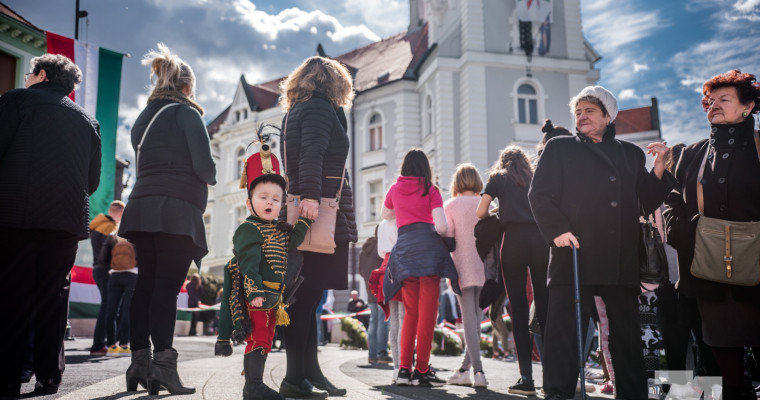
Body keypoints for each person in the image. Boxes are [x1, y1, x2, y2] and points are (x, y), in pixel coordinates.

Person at [529, 86, 673, 400]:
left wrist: (660, 167)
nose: (582, 117)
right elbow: (539, 194)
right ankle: (557, 392)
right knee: (564, 330)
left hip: (618, 254)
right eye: (578, 112)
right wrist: (557, 231)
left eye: (589, 111)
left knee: (625, 331)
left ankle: (633, 394)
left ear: (608, 115)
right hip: (573, 250)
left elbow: (644, 201)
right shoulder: (559, 147)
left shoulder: (629, 153)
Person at [0, 53, 101, 396]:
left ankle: (8, 376)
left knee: (13, 295)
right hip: (67, 222)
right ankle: (49, 377)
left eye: (30, 73)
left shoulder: (17, 100)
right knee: (52, 298)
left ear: (41, 74)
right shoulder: (88, 120)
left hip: (16, 215)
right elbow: (92, 181)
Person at [118, 43, 216, 395]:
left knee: (145, 287)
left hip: (142, 207)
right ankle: (163, 367)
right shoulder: (187, 114)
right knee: (165, 290)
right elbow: (204, 168)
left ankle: (138, 363)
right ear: (187, 87)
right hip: (177, 212)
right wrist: (216, 171)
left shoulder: (144, 119)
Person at [663, 69, 760, 399]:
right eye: (711, 101)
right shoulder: (692, 153)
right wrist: (681, 232)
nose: (714, 105)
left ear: (747, 107)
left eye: (725, 99)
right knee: (720, 345)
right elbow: (672, 200)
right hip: (708, 268)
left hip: (758, 266)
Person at [277, 55, 358, 398]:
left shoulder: (300, 107)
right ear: (333, 81)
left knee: (308, 298)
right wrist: (310, 197)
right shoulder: (319, 107)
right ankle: (294, 379)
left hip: (316, 210)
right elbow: (312, 152)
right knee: (303, 298)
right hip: (318, 212)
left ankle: (309, 373)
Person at [215, 146, 312, 400]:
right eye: (263, 196)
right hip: (257, 295)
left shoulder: (278, 230)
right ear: (249, 202)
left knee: (266, 338)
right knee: (257, 338)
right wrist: (254, 291)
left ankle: (254, 386)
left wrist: (304, 220)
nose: (270, 201)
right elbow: (248, 264)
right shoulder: (249, 229)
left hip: (273, 298)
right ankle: (253, 387)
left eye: (276, 198)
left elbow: (294, 241)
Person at [382, 148, 459, 388]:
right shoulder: (431, 189)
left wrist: (404, 210)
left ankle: (404, 369)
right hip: (429, 254)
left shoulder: (394, 189)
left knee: (411, 314)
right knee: (428, 314)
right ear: (426, 168)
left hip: (405, 253)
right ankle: (423, 370)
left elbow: (386, 214)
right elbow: (442, 226)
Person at [476, 145, 549, 396]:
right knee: (544, 306)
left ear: (503, 161)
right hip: (540, 242)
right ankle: (552, 377)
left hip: (513, 243)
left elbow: (481, 211)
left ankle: (526, 379)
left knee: (518, 310)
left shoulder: (497, 178)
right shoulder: (535, 176)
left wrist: (502, 210)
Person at [443, 163, 489, 388]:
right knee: (477, 320)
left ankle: (478, 371)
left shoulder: (450, 205)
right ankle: (464, 368)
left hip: (461, 267)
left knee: (469, 319)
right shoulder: (485, 203)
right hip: (484, 267)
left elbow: (448, 237)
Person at [89, 200, 126, 356]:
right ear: (120, 213)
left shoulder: (98, 225)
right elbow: (110, 252)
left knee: (108, 306)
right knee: (108, 306)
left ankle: (103, 342)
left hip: (98, 269)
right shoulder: (109, 228)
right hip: (106, 270)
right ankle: (99, 344)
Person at [370, 218, 404, 382]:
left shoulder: (382, 224)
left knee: (395, 322)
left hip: (386, 267)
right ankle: (404, 365)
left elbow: (380, 252)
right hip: (402, 264)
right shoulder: (403, 218)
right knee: (404, 319)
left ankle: (397, 368)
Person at [96, 232, 138, 358]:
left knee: (111, 311)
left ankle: (111, 347)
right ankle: (124, 345)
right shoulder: (135, 236)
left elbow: (102, 258)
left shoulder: (112, 237)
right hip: (132, 275)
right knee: (127, 310)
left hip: (114, 275)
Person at [358, 225, 391, 364]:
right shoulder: (383, 247)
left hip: (370, 289)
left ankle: (372, 355)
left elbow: (360, 271)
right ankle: (382, 354)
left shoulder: (365, 249)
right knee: (383, 322)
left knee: (373, 322)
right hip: (382, 289)